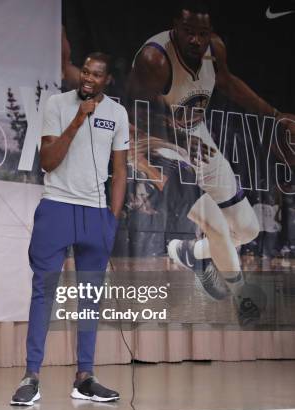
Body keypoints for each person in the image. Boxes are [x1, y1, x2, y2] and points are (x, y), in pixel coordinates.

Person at [126, 0, 295, 321]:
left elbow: (228, 83)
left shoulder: (213, 49)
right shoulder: (155, 59)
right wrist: (180, 140)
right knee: (214, 223)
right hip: (155, 142)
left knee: (247, 229)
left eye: (202, 33)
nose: (195, 40)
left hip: (196, 136)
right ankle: (242, 297)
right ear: (175, 26)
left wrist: (274, 115)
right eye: (188, 32)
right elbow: (135, 112)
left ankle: (192, 253)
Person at [10, 53, 128, 406]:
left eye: (96, 75)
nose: (88, 79)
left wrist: (113, 217)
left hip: (95, 214)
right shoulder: (58, 104)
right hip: (57, 207)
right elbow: (47, 160)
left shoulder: (118, 114)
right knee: (43, 293)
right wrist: (78, 120)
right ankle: (31, 377)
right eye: (85, 72)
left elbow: (120, 170)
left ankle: (85, 378)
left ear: (107, 80)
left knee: (89, 300)